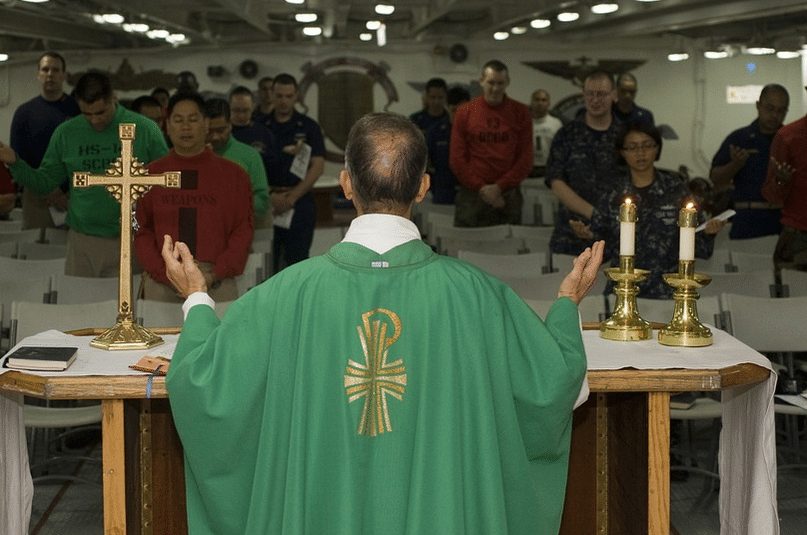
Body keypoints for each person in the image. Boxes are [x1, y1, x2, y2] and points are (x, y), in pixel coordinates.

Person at [161, 111, 604, 535]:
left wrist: (197, 299)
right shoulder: (479, 295)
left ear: (347, 184)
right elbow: (556, 385)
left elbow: (202, 385)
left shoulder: (283, 294)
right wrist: (566, 304)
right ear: (424, 187)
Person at [0, 71, 168, 277]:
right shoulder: (66, 133)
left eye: (101, 112)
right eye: (87, 114)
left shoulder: (145, 129)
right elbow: (44, 183)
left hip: (131, 238)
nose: (95, 120)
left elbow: (166, 184)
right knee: (78, 306)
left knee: (126, 308)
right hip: (82, 241)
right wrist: (16, 163)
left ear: (112, 98)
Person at [572, 122, 724, 298]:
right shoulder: (612, 193)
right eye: (632, 147)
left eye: (647, 145)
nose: (640, 152)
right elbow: (602, 250)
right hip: (623, 290)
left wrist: (709, 233)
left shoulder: (675, 188)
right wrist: (587, 237)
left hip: (668, 291)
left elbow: (698, 248)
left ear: (657, 148)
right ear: (622, 152)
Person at [134, 93, 253, 302]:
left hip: (217, 279)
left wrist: (213, 274)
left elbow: (242, 231)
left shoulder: (234, 175)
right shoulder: (151, 175)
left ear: (206, 124)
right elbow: (141, 231)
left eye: (193, 119)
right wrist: (166, 273)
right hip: (162, 281)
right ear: (167, 126)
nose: (185, 127)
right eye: (178, 120)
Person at [547, 70, 622, 255]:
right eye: (590, 94)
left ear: (614, 95)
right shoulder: (567, 134)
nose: (595, 100)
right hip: (571, 232)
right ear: (583, 94)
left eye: (602, 94)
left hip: (615, 235)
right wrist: (591, 213)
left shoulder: (626, 136)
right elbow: (555, 181)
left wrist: (604, 219)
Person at [449, 60, 532, 227]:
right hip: (472, 193)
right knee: (465, 245)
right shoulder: (465, 112)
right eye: (491, 83)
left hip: (507, 193)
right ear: (481, 81)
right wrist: (482, 188)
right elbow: (457, 158)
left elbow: (525, 158)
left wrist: (499, 187)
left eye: (500, 83)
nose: (495, 88)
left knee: (510, 247)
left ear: (507, 83)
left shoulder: (521, 112)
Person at [9, 51, 80, 230]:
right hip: (36, 195)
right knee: (36, 249)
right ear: (38, 74)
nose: (50, 74)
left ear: (63, 75)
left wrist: (63, 190)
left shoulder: (78, 110)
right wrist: (48, 190)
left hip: (73, 193)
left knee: (71, 250)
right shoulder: (24, 113)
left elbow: (84, 152)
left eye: (55, 70)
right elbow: (17, 157)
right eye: (45, 69)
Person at [711, 84, 789, 239]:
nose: (775, 115)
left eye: (781, 111)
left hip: (783, 221)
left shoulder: (792, 140)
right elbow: (715, 178)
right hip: (747, 220)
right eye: (770, 108)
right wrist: (735, 165)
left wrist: (786, 179)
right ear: (758, 105)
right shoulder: (739, 138)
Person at [265, 73, 326, 270]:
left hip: (299, 202)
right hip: (267, 200)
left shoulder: (309, 127)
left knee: (298, 262)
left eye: (289, 96)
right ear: (272, 95)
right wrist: (269, 195)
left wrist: (292, 197)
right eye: (279, 96)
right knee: (267, 261)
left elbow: (317, 166)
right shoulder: (260, 126)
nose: (284, 101)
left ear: (296, 96)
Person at [762, 86, 807, 275]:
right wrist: (781, 181)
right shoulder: (788, 137)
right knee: (792, 303)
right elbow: (771, 195)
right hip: (800, 237)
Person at [204, 98, 270, 225]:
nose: (215, 137)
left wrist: (230, 205)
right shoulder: (193, 156)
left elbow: (262, 202)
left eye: (220, 130)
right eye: (209, 131)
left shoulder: (249, 155)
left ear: (230, 125)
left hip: (238, 234)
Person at [410, 77, 456, 204]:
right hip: (421, 176)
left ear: (446, 98)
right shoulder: (415, 120)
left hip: (446, 179)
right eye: (433, 97)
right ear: (426, 96)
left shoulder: (451, 121)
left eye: (440, 97)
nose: (436, 101)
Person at [228, 86, 280, 185]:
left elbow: (273, 169)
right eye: (236, 110)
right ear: (228, 108)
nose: (241, 115)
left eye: (245, 110)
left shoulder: (264, 134)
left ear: (253, 107)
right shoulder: (221, 133)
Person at [530, 88, 563, 177]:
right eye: (537, 100)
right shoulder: (523, 123)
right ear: (531, 102)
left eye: (543, 100)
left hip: (549, 168)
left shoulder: (556, 123)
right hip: (529, 169)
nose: (540, 103)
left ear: (548, 103)